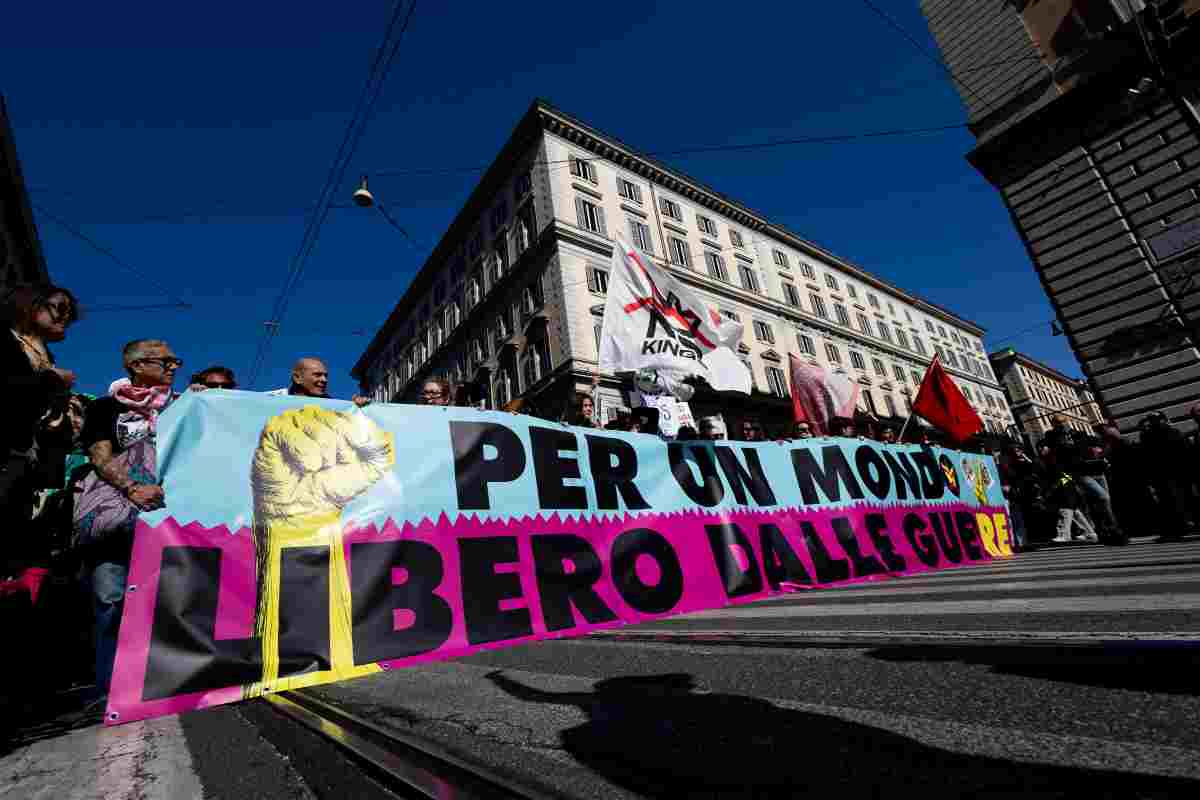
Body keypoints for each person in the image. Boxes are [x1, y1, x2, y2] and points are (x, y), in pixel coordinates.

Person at [79, 339, 180, 699]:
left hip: (170, 514)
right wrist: (131, 487)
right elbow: (99, 455)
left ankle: (167, 681)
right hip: (119, 512)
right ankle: (113, 690)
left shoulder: (184, 407)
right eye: (164, 361)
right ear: (136, 366)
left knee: (171, 596)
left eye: (175, 362)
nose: (173, 367)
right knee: (111, 597)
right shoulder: (107, 407)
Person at [1, 284, 79, 580]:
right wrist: (49, 380)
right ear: (31, 304)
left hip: (29, 465)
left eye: (69, 315)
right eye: (59, 308)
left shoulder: (47, 357)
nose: (64, 318)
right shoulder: (6, 340)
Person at [1044, 415, 1125, 545]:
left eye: (1063, 422)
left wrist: (1100, 450)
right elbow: (1056, 451)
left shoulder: (1078, 433)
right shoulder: (1052, 437)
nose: (1062, 424)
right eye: (1058, 423)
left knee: (1103, 501)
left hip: (1096, 470)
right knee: (1103, 498)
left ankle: (1110, 531)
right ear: (1053, 425)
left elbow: (1089, 445)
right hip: (1079, 473)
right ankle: (1109, 529)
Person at [1137, 411, 1194, 541]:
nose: (1153, 423)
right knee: (1171, 499)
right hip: (1165, 474)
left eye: (1154, 420)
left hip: (1171, 473)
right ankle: (1180, 526)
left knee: (1174, 499)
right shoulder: (1152, 435)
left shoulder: (1156, 434)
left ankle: (1181, 526)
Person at [270, 357, 370, 407]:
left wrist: (357, 409)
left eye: (326, 376)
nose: (324, 380)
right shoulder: (271, 400)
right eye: (317, 375)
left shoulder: (332, 406)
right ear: (297, 378)